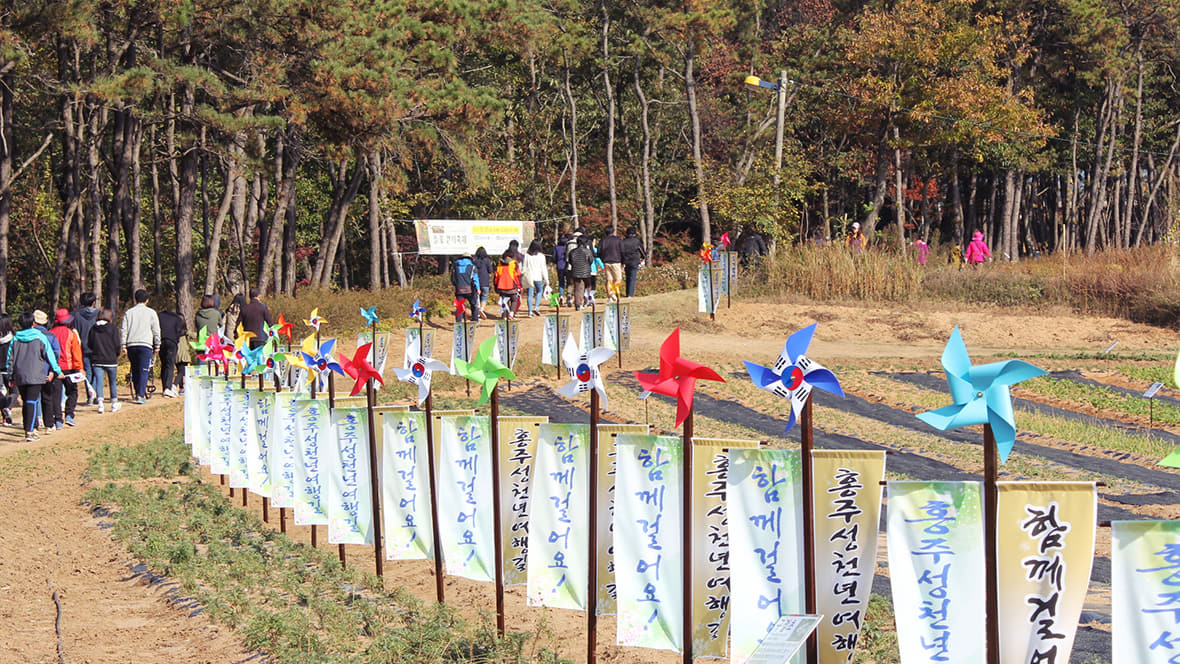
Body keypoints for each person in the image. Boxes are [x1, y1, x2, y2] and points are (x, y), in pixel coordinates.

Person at [9, 312, 62, 441]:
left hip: (20, 375)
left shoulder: (15, 338)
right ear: (33, 323)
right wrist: (57, 371)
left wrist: (11, 376)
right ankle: (30, 431)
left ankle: (28, 428)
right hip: (36, 374)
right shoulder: (39, 337)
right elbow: (49, 355)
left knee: (26, 402)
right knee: (31, 402)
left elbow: (9, 359)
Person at [121, 289, 160, 404]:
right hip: (145, 344)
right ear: (147, 300)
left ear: (135, 299)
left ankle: (138, 391)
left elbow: (124, 329)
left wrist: (123, 344)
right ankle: (140, 394)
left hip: (131, 344)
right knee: (144, 369)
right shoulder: (151, 313)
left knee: (135, 369)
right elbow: (156, 329)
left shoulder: (129, 312)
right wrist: (157, 344)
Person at [49, 309, 83, 426]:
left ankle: (58, 420)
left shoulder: (50, 332)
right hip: (69, 367)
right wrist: (79, 367)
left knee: (56, 394)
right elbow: (76, 352)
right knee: (73, 391)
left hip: (55, 368)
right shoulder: (71, 334)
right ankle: (69, 414)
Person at [32, 310, 61, 432]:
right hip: (47, 370)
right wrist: (53, 371)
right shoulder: (50, 336)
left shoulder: (28, 335)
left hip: (32, 371)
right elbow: (56, 354)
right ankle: (49, 424)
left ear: (34, 322)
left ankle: (34, 423)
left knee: (33, 398)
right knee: (47, 398)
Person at [88, 309, 121, 413]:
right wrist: (116, 354)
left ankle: (100, 404)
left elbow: (90, 344)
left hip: (97, 359)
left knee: (99, 382)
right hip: (111, 359)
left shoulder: (93, 328)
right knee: (112, 382)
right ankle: (114, 403)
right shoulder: (112, 328)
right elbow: (117, 344)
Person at [74, 292, 99, 399]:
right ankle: (95, 394)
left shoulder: (76, 315)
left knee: (88, 371)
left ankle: (90, 395)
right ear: (94, 302)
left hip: (82, 346)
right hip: (97, 346)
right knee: (97, 371)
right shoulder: (99, 314)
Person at [158, 308, 187, 398]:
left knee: (164, 364)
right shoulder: (176, 319)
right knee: (170, 365)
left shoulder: (159, 317)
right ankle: (168, 387)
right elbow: (179, 332)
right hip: (172, 342)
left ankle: (164, 387)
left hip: (161, 341)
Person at [522, 239, 549, 317]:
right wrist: (546, 279)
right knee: (539, 291)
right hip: (538, 277)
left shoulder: (527, 255)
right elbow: (543, 268)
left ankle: (530, 311)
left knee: (530, 294)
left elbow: (524, 267)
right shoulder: (541, 256)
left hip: (529, 277)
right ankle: (536, 307)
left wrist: (522, 276)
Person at [493, 249, 522, 319]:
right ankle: (511, 313)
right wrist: (519, 286)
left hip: (501, 286)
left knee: (504, 302)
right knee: (514, 300)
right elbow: (517, 276)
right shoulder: (514, 264)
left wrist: (496, 286)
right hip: (511, 286)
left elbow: (496, 276)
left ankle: (504, 316)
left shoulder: (499, 264)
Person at [451, 252, 480, 322]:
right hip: (470, 289)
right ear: (470, 258)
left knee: (459, 306)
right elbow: (475, 278)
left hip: (459, 290)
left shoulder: (456, 267)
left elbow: (452, 279)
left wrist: (456, 285)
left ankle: (458, 323)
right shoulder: (472, 267)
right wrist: (478, 288)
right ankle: (474, 321)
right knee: (474, 305)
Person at [568, 233, 594, 309]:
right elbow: (591, 260)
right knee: (588, 286)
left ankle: (578, 304)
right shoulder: (587, 251)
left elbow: (570, 261)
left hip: (576, 271)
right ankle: (587, 301)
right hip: (586, 271)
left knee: (577, 287)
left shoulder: (572, 252)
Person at [599, 227, 624, 300]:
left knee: (609, 280)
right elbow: (622, 251)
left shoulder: (603, 241)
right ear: (613, 232)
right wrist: (623, 261)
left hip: (606, 262)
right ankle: (612, 292)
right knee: (618, 279)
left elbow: (599, 252)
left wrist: (603, 259)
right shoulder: (618, 240)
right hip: (616, 261)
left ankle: (610, 297)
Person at [621, 226, 645, 298]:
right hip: (634, 260)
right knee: (632, 277)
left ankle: (627, 292)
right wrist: (643, 258)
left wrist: (622, 261)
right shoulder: (637, 241)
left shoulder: (623, 241)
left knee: (628, 277)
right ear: (634, 233)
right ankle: (630, 294)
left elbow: (621, 252)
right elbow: (642, 251)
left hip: (626, 261)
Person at [0, 313, 14, 425]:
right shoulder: (13, 338)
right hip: (9, 369)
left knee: (1, 393)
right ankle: (8, 408)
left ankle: (5, 418)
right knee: (14, 392)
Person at [473, 246, 494, 319]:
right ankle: (481, 309)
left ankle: (477, 313)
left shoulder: (474, 260)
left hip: (475, 281)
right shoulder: (487, 260)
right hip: (485, 281)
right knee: (484, 297)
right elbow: (490, 270)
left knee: (476, 297)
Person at [553, 229, 571, 304]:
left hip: (559, 266)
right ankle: (569, 296)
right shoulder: (567, 247)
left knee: (561, 282)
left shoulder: (557, 248)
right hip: (567, 266)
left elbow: (554, 257)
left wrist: (555, 262)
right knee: (569, 282)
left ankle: (561, 296)